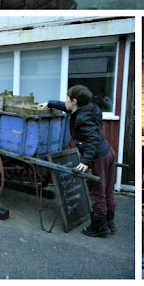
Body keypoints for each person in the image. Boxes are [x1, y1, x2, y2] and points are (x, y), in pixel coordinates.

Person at [38, 85, 117, 237]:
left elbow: (92, 140)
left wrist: (86, 161)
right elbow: (66, 107)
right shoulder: (86, 108)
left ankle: (99, 228)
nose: (65, 100)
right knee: (107, 190)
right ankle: (109, 223)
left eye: (67, 98)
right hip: (108, 151)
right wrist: (49, 103)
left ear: (74, 101)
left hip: (98, 156)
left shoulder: (82, 119)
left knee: (97, 191)